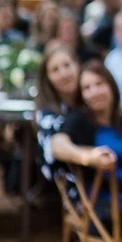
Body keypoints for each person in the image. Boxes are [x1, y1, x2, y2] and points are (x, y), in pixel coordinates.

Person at [52, 61, 122, 235]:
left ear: (111, 86)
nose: (94, 92)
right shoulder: (79, 121)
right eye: (87, 88)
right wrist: (88, 156)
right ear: (81, 95)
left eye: (99, 84)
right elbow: (57, 144)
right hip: (104, 198)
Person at [35, 44, 81, 195]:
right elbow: (55, 152)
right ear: (47, 78)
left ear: (77, 66)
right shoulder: (47, 115)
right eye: (55, 70)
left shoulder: (89, 100)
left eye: (67, 65)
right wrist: (89, 156)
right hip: (75, 186)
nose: (63, 74)